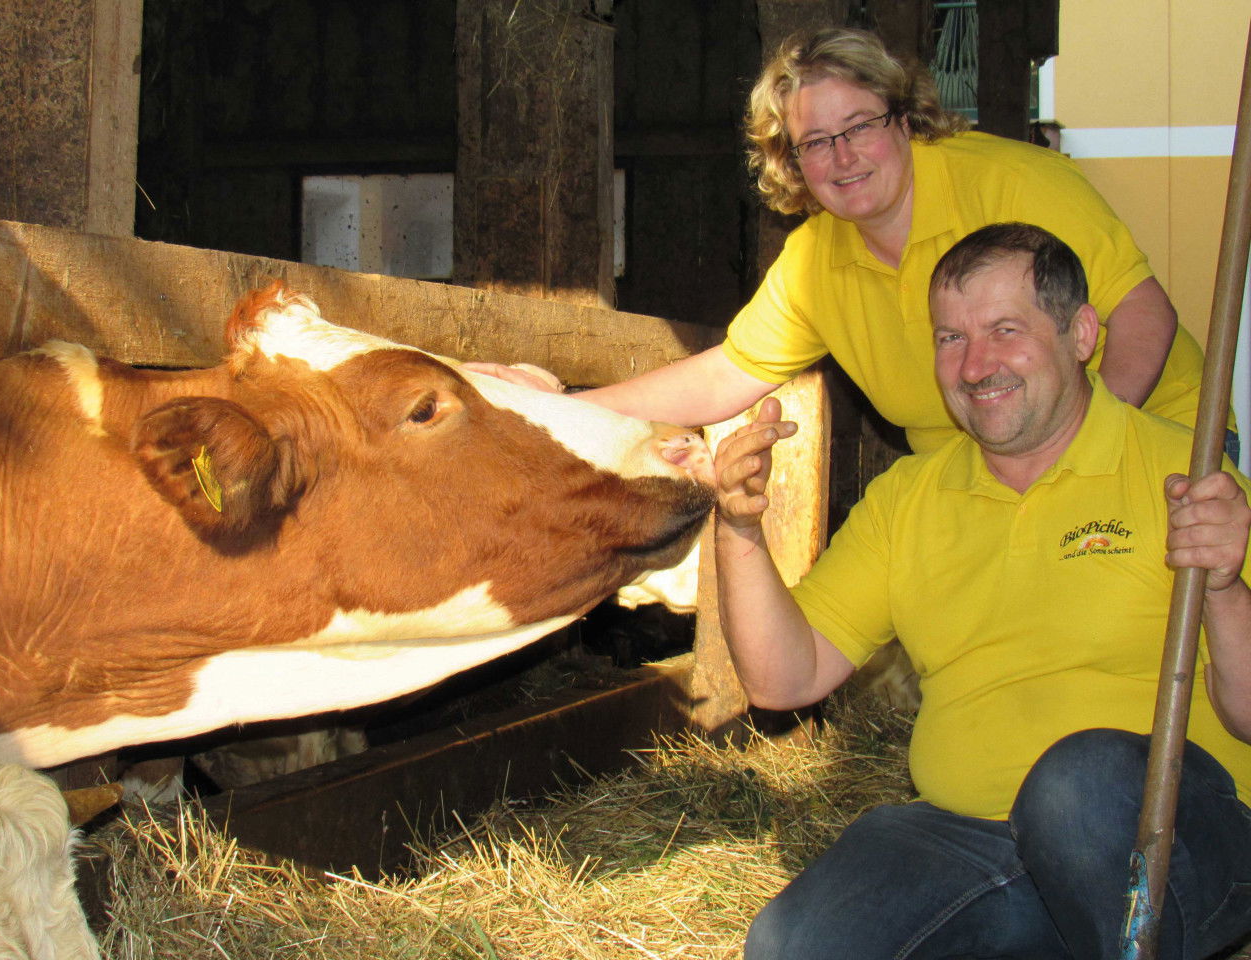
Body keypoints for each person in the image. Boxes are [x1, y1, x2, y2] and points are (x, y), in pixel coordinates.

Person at [714, 222, 1251, 959]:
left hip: (1168, 838)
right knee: (793, 943)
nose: (975, 365)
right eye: (949, 339)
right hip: (972, 842)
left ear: (1083, 334)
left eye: (1005, 329)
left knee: (1076, 786)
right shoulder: (910, 499)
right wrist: (739, 530)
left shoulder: (1187, 481)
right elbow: (784, 676)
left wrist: (1223, 584)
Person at [471, 27, 1221, 458]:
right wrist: (570, 410)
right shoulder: (817, 261)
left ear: (903, 117)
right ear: (788, 162)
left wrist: (1081, 453)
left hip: (1157, 436)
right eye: (814, 143)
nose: (844, 157)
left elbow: (1143, 314)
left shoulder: (1011, 183)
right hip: (984, 482)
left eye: (859, 126)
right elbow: (730, 372)